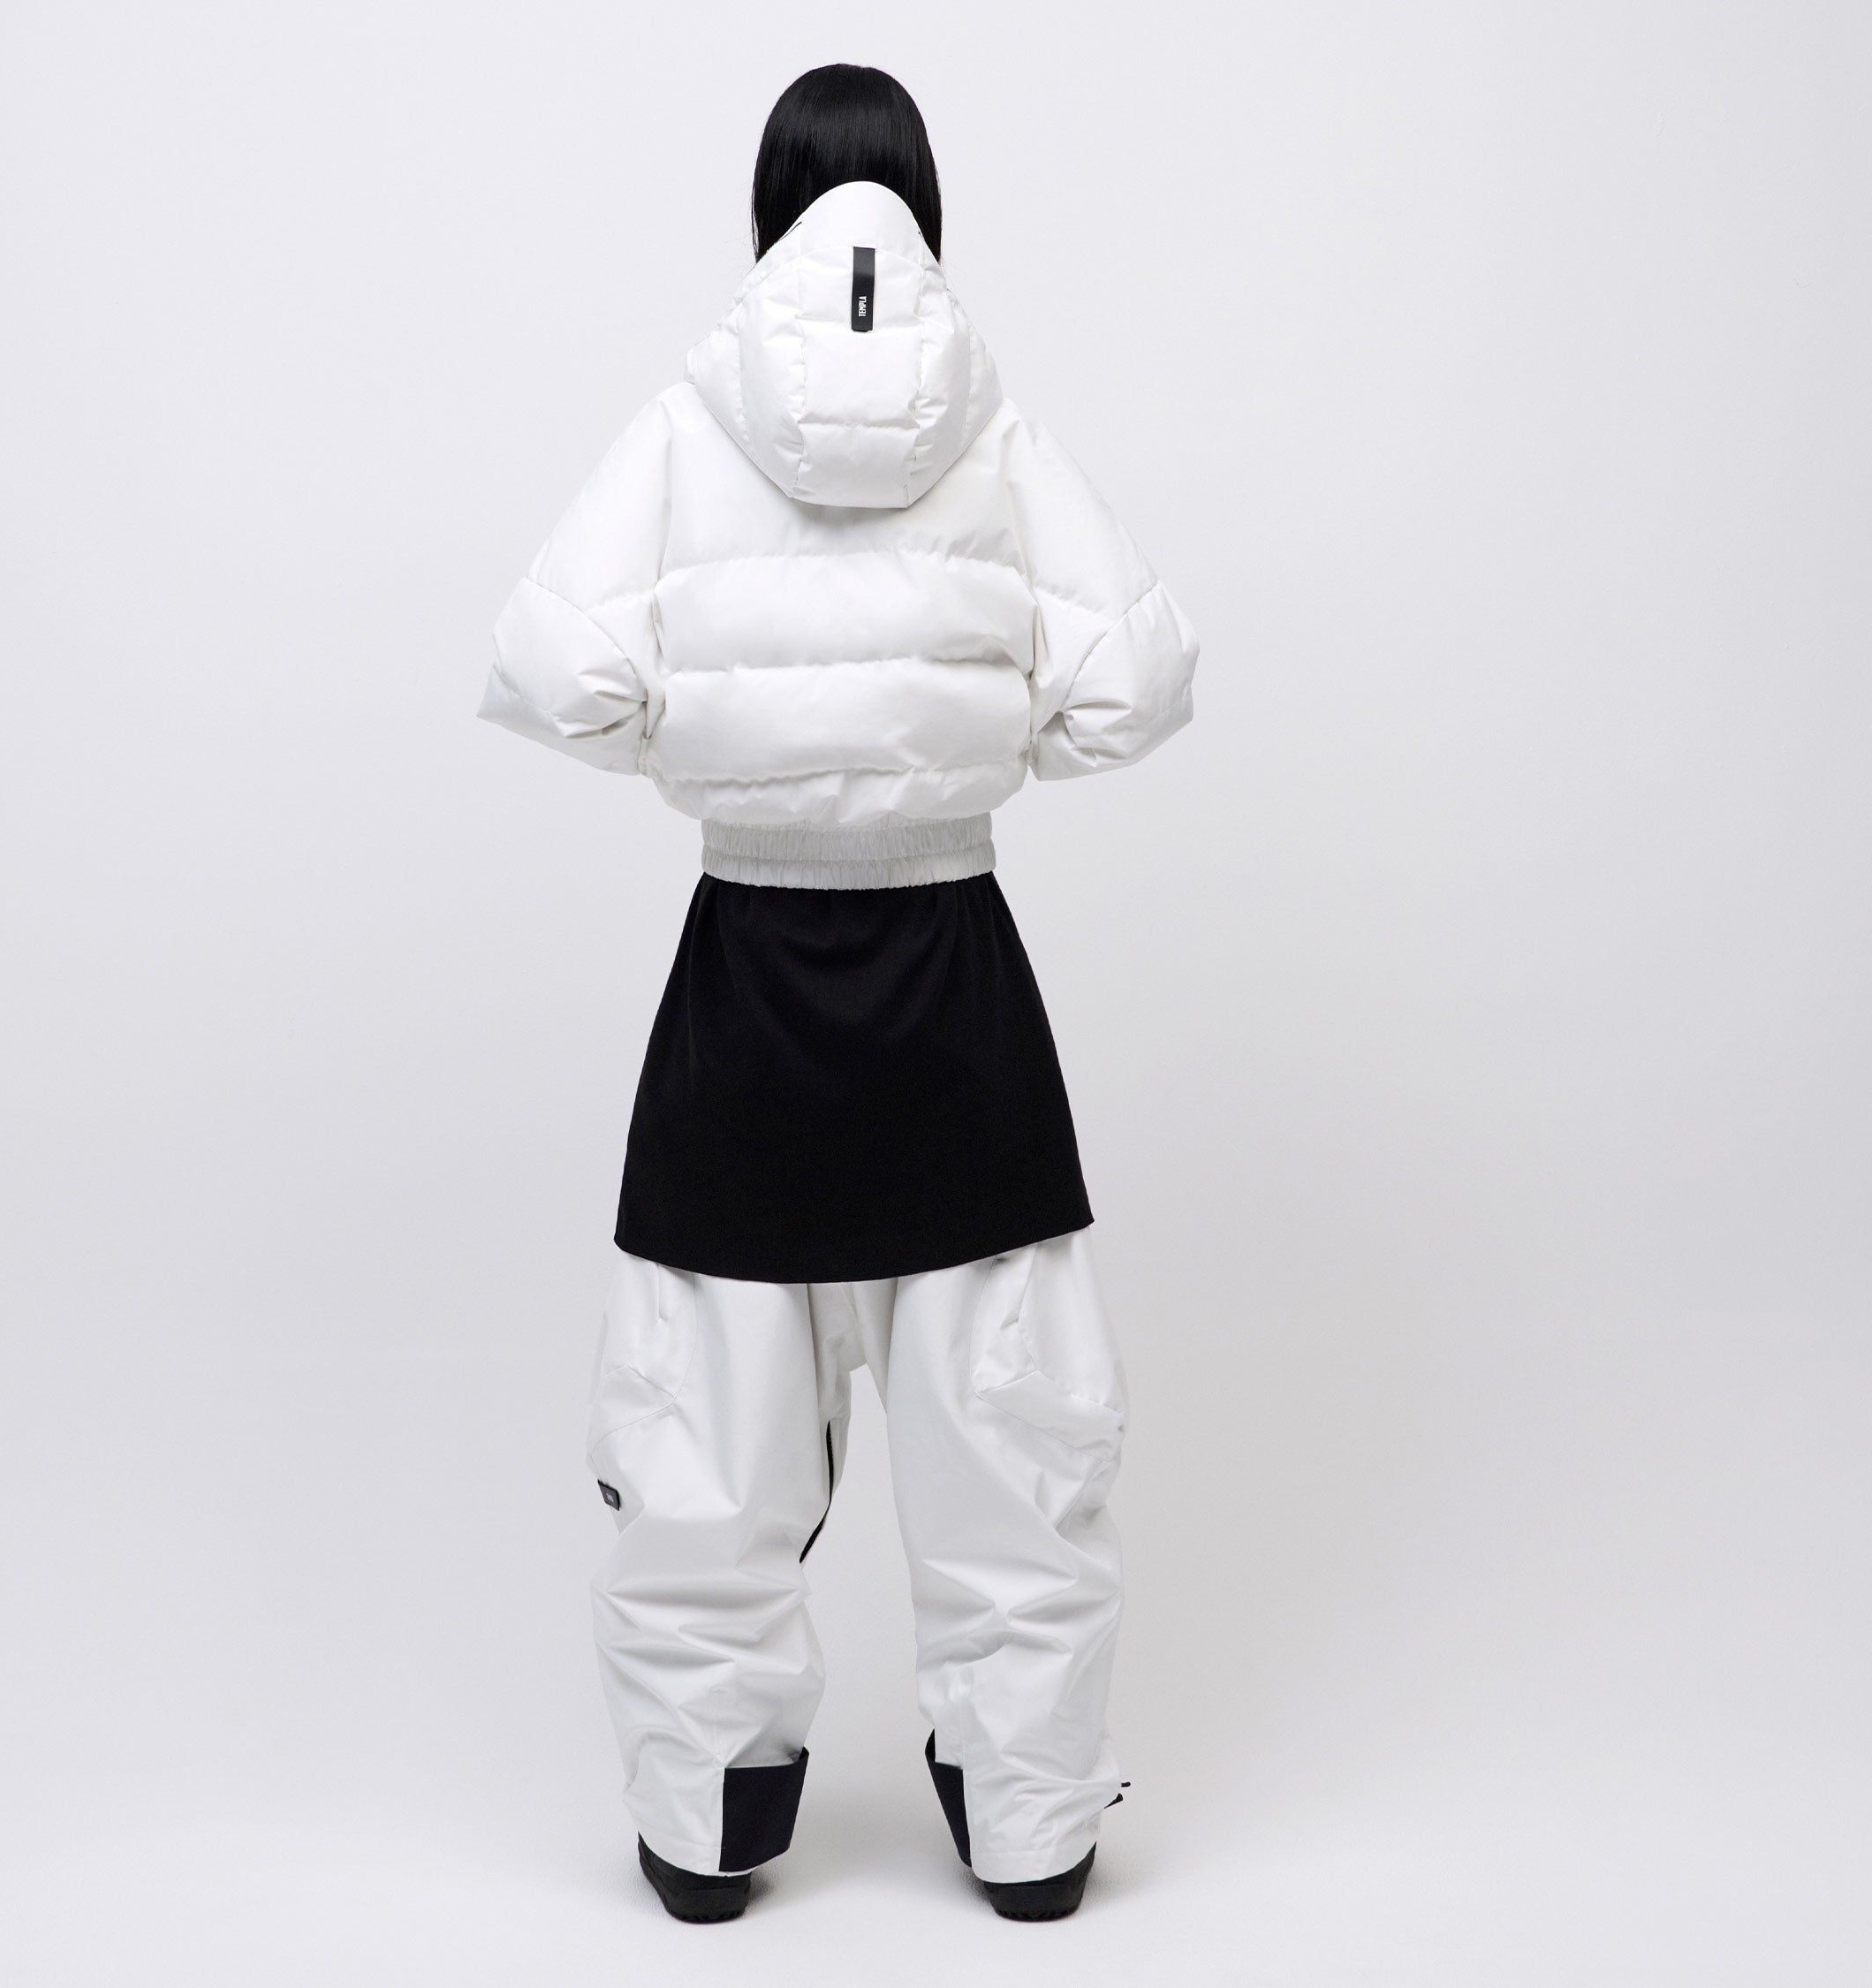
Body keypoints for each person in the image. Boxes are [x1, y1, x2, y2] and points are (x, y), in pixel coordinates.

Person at [479, 62, 1197, 1924]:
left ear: (766, 211)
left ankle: (705, 1836)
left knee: (703, 1452)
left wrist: (706, 749)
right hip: (956, 979)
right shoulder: (993, 423)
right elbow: (1137, 683)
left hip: (746, 981)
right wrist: (983, 742)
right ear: (925, 212)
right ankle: (1032, 1839)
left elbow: (556, 669)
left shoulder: (690, 421)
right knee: (1010, 1451)